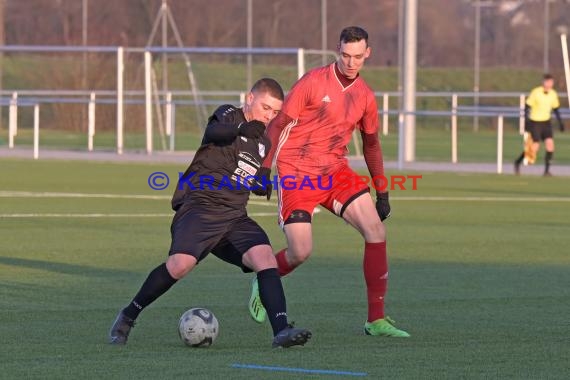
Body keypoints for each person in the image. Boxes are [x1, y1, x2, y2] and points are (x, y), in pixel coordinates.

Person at [109, 78, 311, 348]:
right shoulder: (229, 114)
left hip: (234, 217)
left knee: (265, 257)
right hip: (200, 207)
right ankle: (128, 315)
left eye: (275, 112)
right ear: (249, 98)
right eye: (265, 108)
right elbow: (214, 132)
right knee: (179, 266)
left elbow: (242, 172)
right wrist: (241, 127)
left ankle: (281, 331)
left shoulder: (263, 142)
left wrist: (259, 182)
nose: (269, 116)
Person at [248, 27, 409, 337]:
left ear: (368, 54)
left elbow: (372, 145)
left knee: (376, 230)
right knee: (301, 251)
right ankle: (265, 276)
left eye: (358, 57)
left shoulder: (365, 97)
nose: (351, 63)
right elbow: (279, 123)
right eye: (346, 55)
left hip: (335, 171)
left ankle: (375, 319)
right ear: (338, 50)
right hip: (296, 172)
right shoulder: (312, 81)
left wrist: (383, 191)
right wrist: (264, 168)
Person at [514, 74, 565, 176]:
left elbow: (556, 109)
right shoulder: (536, 92)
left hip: (546, 122)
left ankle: (546, 171)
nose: (550, 84)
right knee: (534, 148)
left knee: (550, 145)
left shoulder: (553, 94)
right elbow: (527, 106)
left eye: (551, 82)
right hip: (535, 122)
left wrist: (560, 122)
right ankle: (517, 162)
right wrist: (526, 121)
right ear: (544, 82)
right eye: (548, 81)